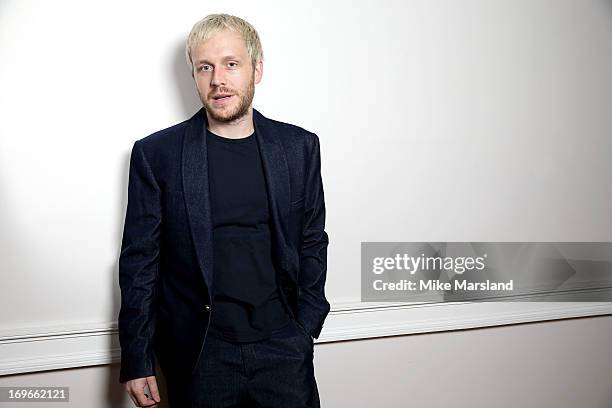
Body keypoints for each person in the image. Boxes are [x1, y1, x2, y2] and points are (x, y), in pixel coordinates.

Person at [117, 13, 330, 407]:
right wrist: (137, 356)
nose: (218, 79)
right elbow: (140, 263)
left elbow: (312, 239)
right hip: (201, 355)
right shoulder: (157, 155)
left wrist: (306, 325)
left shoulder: (299, 148)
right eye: (205, 67)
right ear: (194, 75)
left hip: (284, 348)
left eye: (231, 64)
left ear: (256, 70)